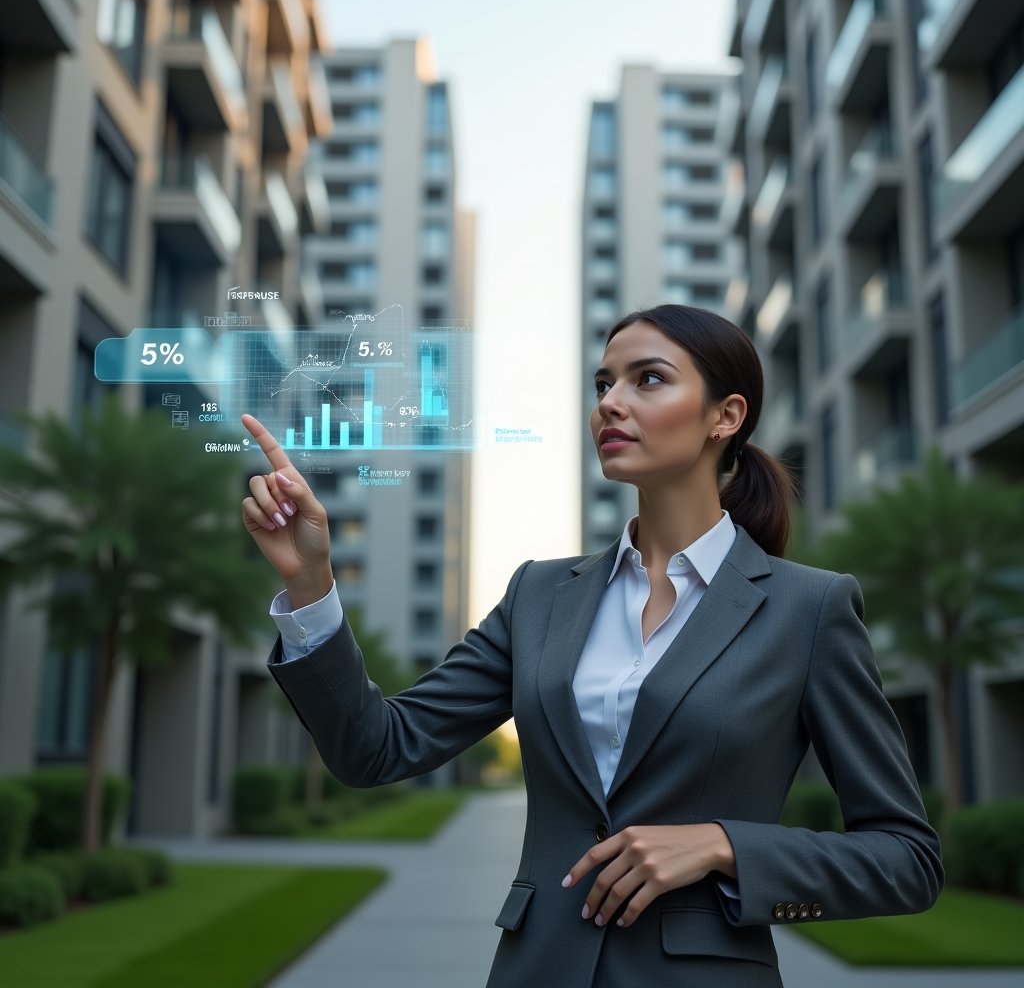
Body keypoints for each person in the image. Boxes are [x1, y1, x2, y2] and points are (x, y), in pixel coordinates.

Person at [241, 305, 942, 988]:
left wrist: (725, 845)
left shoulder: (808, 609)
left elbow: (906, 858)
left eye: (649, 379)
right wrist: (311, 585)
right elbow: (376, 748)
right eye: (603, 384)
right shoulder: (539, 596)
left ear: (724, 417)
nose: (611, 403)